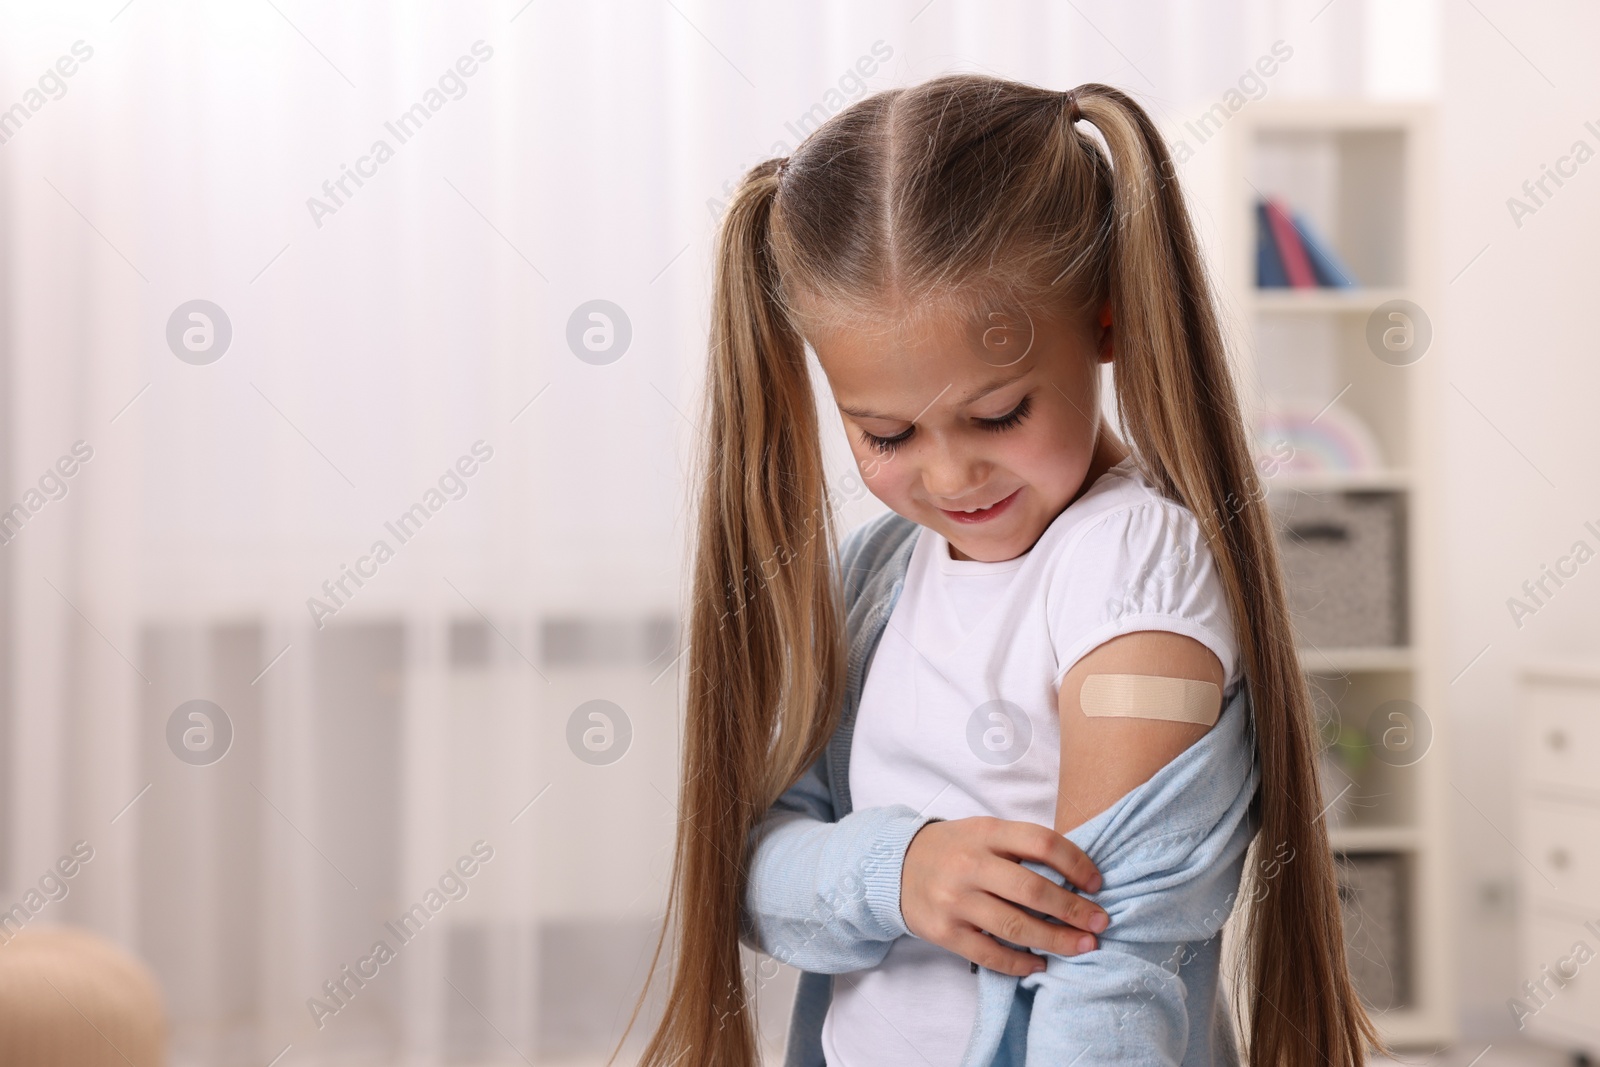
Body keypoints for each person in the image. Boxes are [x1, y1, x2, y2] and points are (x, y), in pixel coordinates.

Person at [627, 75, 1379, 1066]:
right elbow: (755, 874)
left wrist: (877, 873)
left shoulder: (1130, 569)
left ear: (1104, 323)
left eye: (996, 416)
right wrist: (897, 869)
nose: (949, 473)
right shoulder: (884, 569)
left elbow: (1109, 963)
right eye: (885, 432)